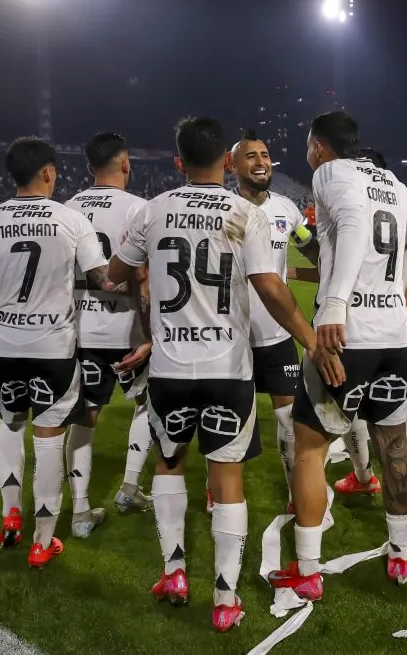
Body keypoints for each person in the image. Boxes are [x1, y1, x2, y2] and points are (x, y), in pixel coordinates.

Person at [106, 117, 339, 632]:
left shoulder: (153, 210)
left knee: (169, 465)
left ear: (177, 161)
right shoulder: (244, 213)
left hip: (169, 367)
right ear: (227, 163)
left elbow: (117, 275)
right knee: (226, 478)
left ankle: (174, 574)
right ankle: (227, 599)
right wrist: (310, 338)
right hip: (229, 367)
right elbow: (271, 288)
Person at [269, 113, 407, 599]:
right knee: (394, 446)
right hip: (395, 340)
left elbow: (352, 224)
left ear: (318, 146)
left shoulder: (330, 173)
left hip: (349, 335)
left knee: (310, 447)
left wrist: (337, 303)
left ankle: (306, 570)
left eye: (308, 146)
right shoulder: (392, 181)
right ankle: (401, 553)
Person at [0, 136, 112, 569]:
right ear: (48, 172)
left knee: (9, 427)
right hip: (54, 349)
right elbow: (102, 279)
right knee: (48, 440)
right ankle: (43, 540)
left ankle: (10, 515)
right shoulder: (72, 219)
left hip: (5, 345)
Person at [333, 148, 407, 519]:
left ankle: (387, 485)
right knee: (403, 409)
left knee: (366, 411)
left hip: (396, 321)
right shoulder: (400, 201)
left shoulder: (363, 203)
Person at [64, 132, 154, 540]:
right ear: (126, 163)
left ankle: (80, 511)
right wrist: (153, 335)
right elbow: (145, 278)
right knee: (146, 404)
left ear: (89, 168)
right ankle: (130, 488)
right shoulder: (139, 208)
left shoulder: (67, 208)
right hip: (128, 328)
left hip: (80, 329)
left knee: (85, 414)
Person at [224, 129, 319, 513]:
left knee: (288, 422)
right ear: (232, 165)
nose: (261, 162)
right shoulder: (222, 210)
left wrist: (332, 265)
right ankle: (221, 490)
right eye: (251, 156)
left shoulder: (287, 210)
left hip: (278, 334)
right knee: (233, 425)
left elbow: (307, 245)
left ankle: (297, 494)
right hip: (233, 336)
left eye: (264, 155)